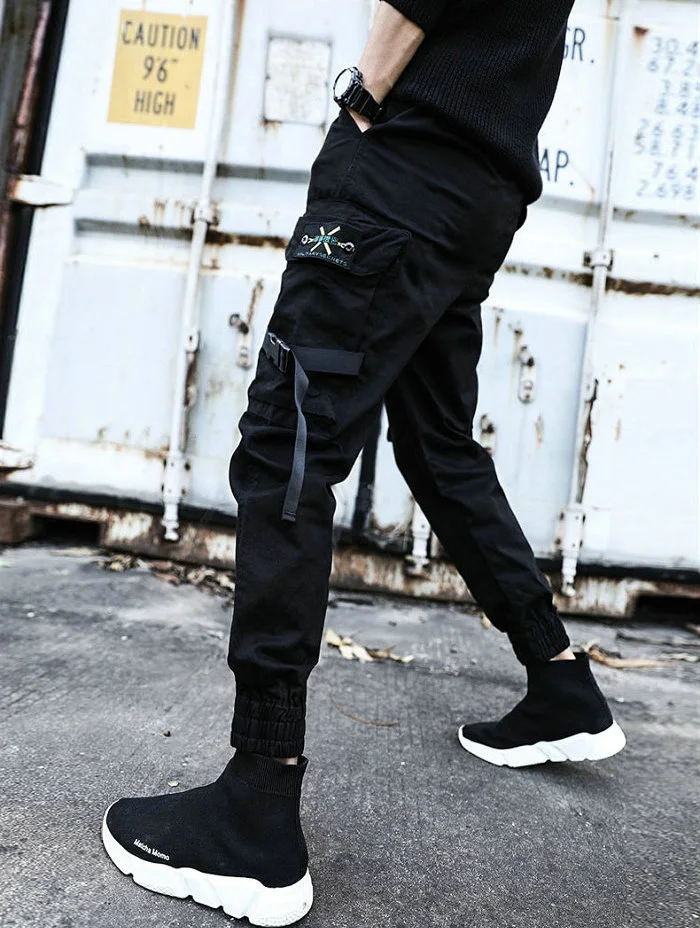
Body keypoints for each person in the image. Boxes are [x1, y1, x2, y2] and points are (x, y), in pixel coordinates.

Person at [101, 2, 626, 924]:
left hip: (403, 167)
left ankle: (257, 807)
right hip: (480, 192)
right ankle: (559, 677)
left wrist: (361, 103)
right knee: (437, 446)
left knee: (286, 449)